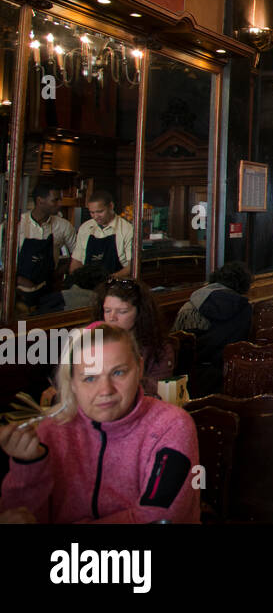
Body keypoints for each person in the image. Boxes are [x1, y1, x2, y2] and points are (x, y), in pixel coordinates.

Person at [0, 325, 200, 523]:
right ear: (72, 384)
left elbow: (159, 517)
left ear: (139, 368)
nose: (105, 390)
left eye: (118, 373)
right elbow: (23, 517)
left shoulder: (171, 425)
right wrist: (28, 465)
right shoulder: (52, 431)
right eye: (89, 378)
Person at [171, 262, 253, 398]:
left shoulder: (190, 307)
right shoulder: (245, 308)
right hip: (231, 378)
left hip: (190, 380)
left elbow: (176, 342)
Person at [90, 279, 174, 396]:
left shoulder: (159, 348)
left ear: (140, 313)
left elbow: (157, 392)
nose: (112, 317)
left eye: (122, 311)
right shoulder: (91, 343)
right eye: (107, 310)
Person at [15, 183, 75, 315]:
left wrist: (59, 273)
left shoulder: (64, 226)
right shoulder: (18, 224)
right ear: (40, 201)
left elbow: (77, 255)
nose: (60, 203)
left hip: (49, 289)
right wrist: (16, 278)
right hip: (18, 290)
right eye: (55, 200)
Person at [68, 191, 133, 279]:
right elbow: (76, 261)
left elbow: (131, 266)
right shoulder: (85, 228)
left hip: (114, 283)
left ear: (111, 206)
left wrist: (107, 280)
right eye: (92, 212)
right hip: (88, 283)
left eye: (100, 211)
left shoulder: (127, 229)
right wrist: (74, 280)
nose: (95, 216)